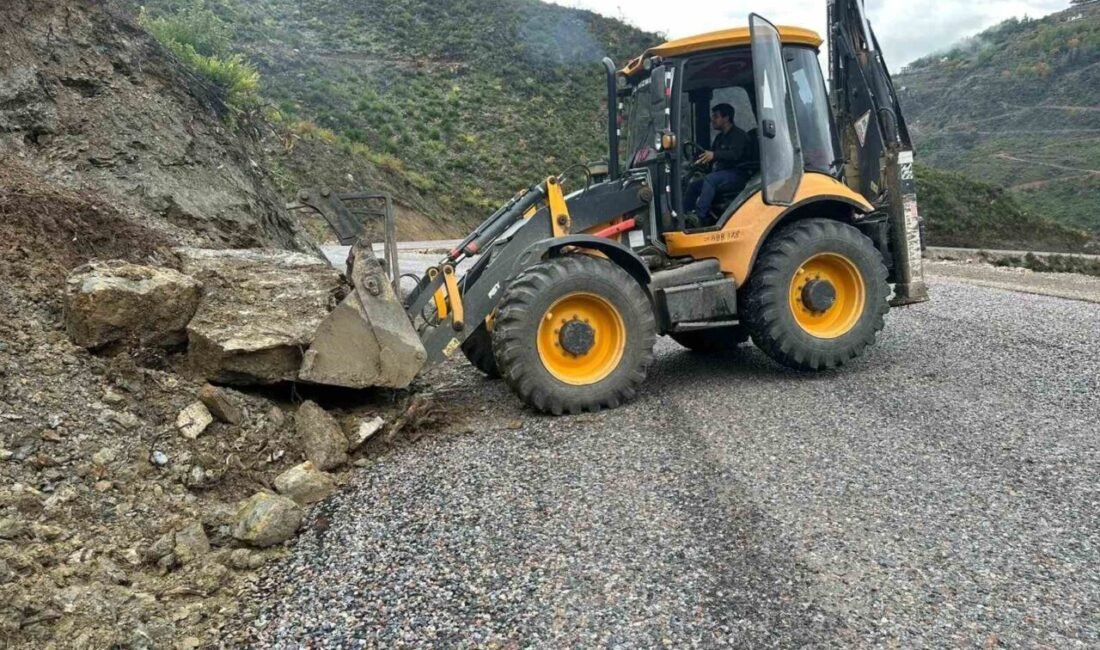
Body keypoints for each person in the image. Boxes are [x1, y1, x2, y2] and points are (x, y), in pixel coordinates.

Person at [684, 103, 749, 223]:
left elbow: (735, 155)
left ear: (726, 118)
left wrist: (714, 155)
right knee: (694, 185)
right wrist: (700, 161)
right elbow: (712, 155)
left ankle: (699, 217)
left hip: (738, 174)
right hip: (722, 174)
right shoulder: (720, 138)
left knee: (710, 179)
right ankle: (685, 215)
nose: (712, 120)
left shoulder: (739, 135)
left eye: (716, 116)